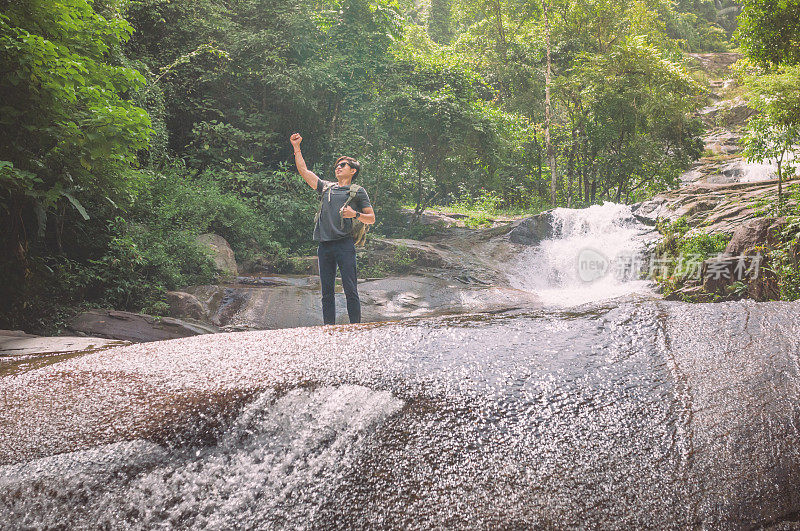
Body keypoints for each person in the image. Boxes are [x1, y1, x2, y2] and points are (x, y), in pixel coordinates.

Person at [290, 133, 375, 325]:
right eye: (337, 165)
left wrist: (355, 214)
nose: (338, 167)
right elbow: (303, 171)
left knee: (350, 289)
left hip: (344, 245)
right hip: (325, 246)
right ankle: (329, 330)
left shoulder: (357, 191)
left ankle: (356, 328)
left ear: (353, 171)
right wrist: (296, 147)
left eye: (343, 165)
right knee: (326, 292)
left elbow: (371, 218)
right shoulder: (326, 187)